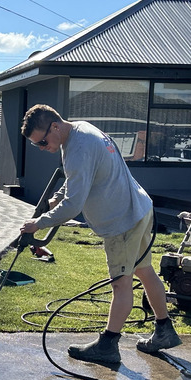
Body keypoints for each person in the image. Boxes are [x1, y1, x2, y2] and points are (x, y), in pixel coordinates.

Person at [19, 104, 180, 364]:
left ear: (55, 127)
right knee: (144, 271)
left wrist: (38, 223)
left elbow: (73, 206)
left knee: (121, 282)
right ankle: (164, 330)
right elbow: (84, 178)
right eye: (37, 145)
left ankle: (107, 346)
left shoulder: (77, 150)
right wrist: (58, 196)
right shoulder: (82, 130)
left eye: (42, 142)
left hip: (122, 222)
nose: (42, 148)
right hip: (139, 208)